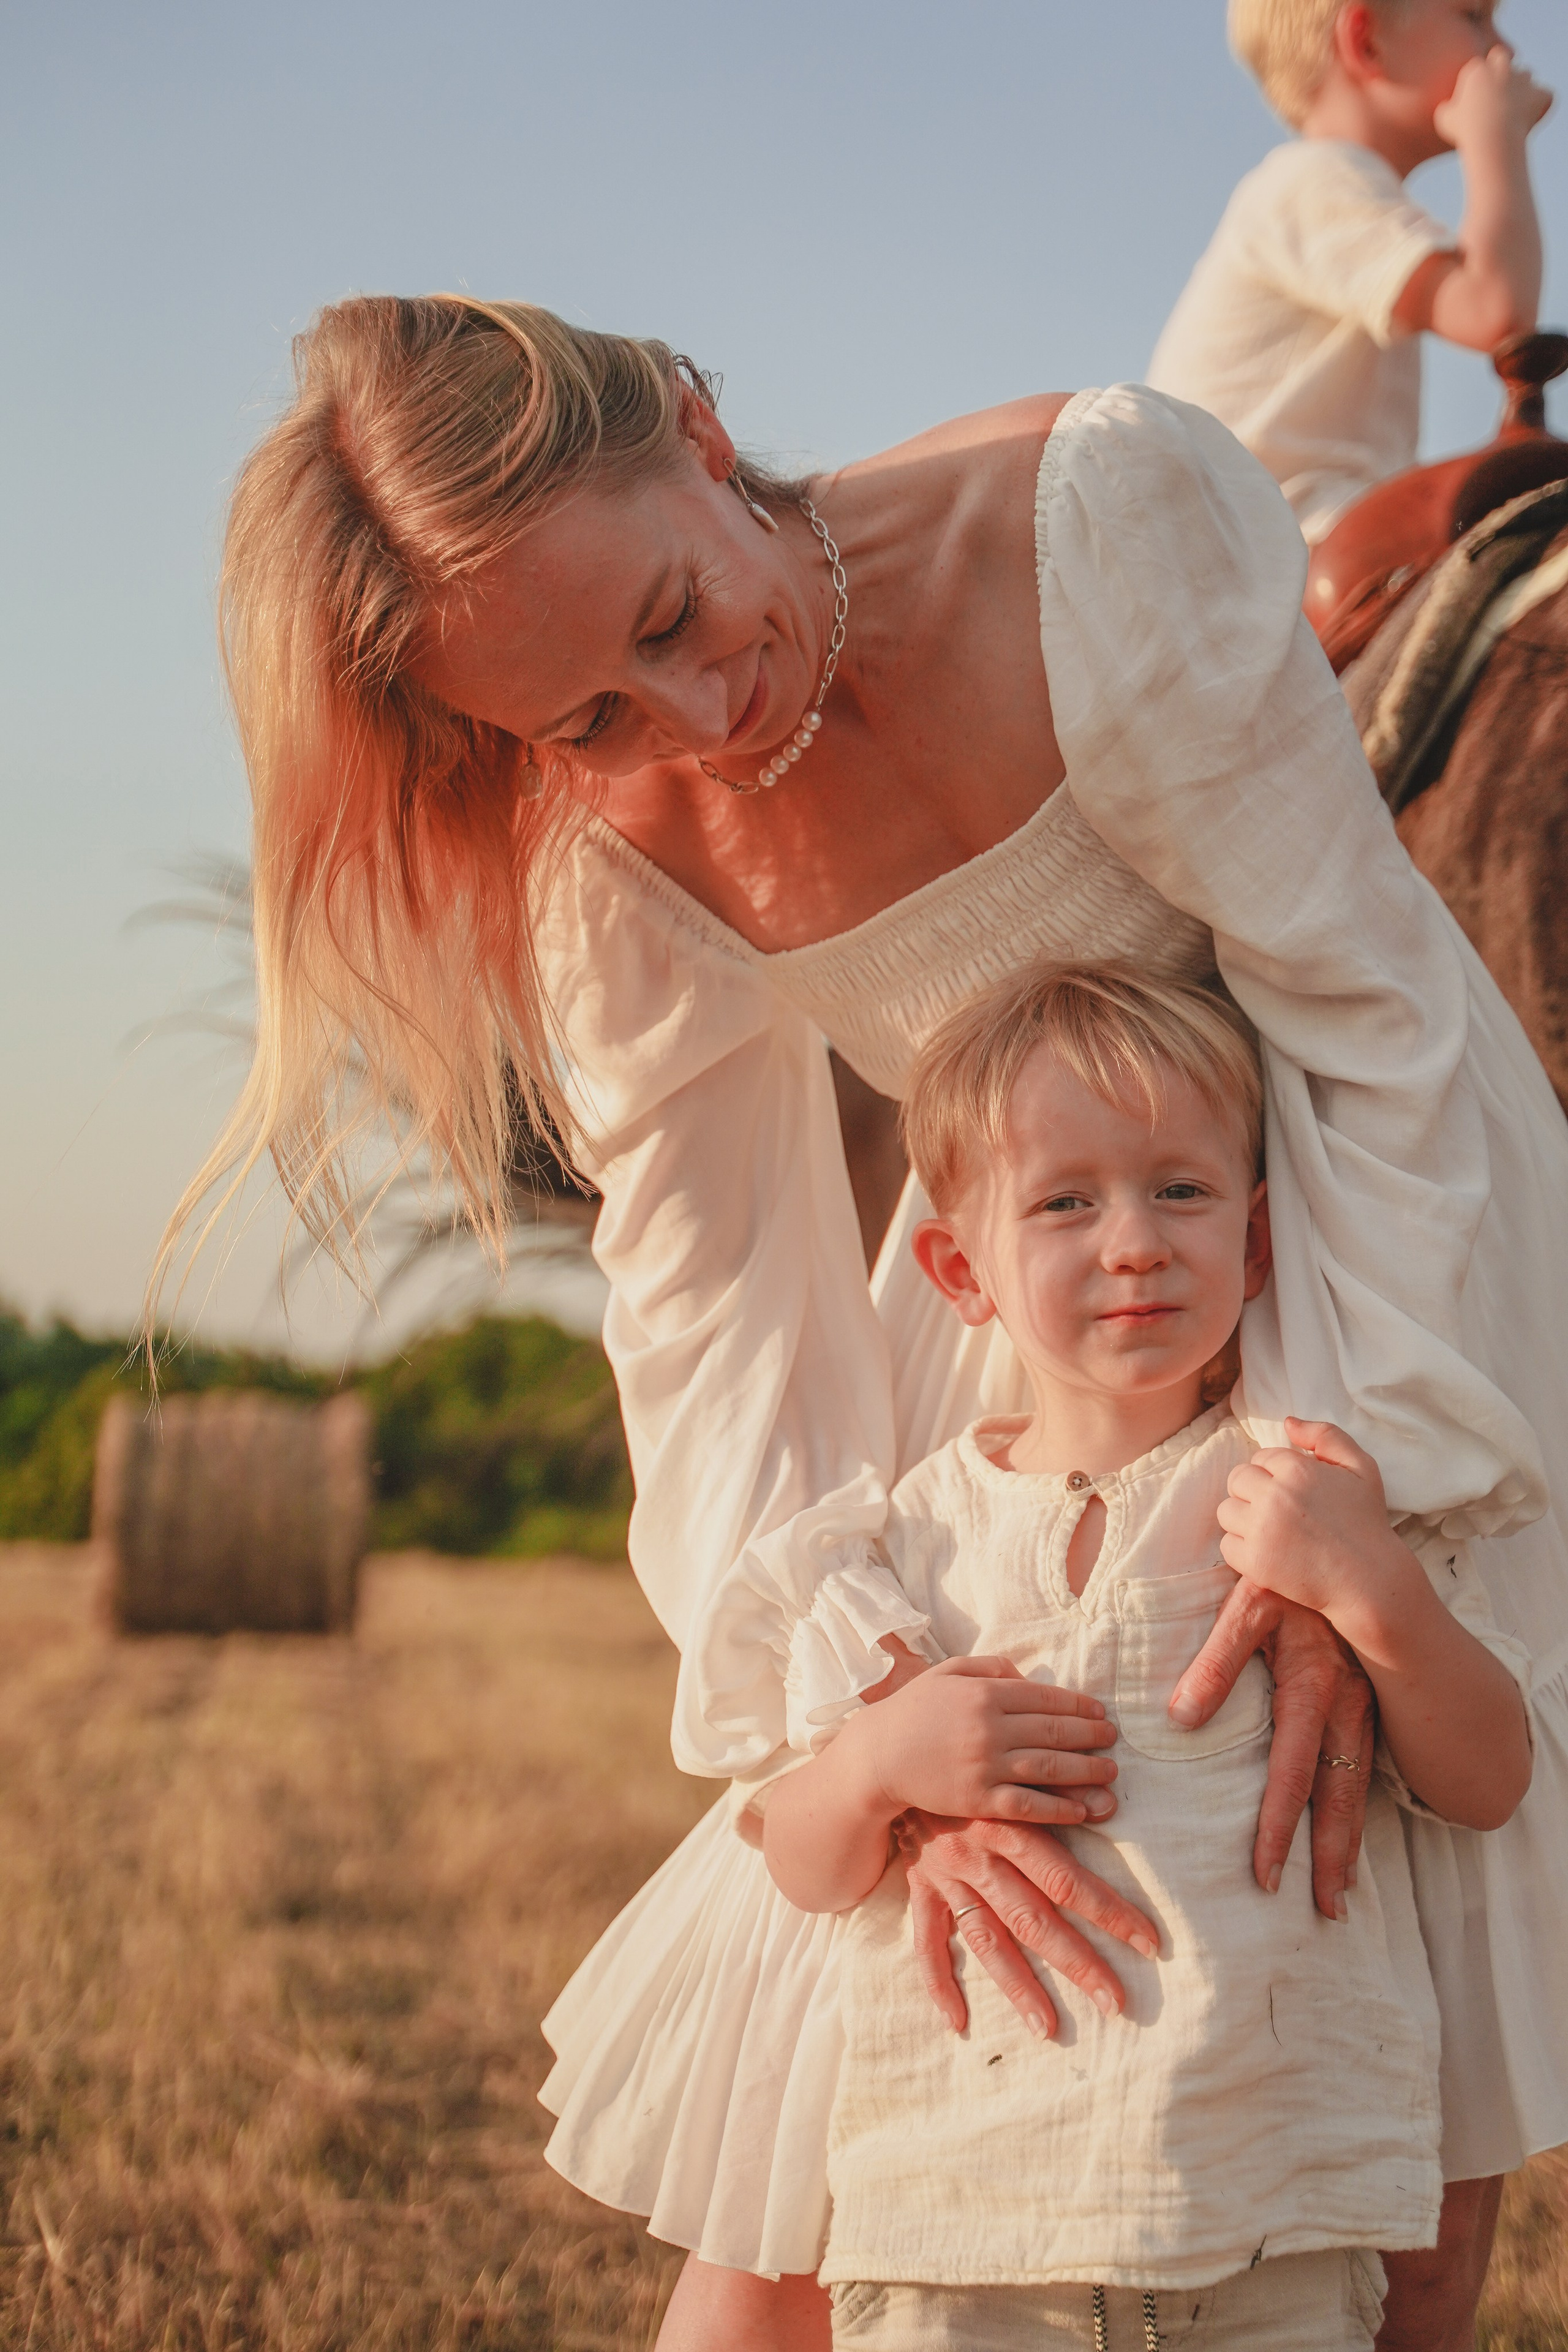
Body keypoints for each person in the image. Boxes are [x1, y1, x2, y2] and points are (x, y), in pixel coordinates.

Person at [164, 296, 1568, 2352]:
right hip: (1026, 1308)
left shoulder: (1097, 524)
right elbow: (713, 1300)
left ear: (707, 438)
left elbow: (1361, 1019)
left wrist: (1365, 1521)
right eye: (582, 719)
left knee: (1391, 2007)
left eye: (670, 614)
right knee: (850, 2045)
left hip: (1365, 1239)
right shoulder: (605, 859)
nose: (685, 721)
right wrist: (853, 1686)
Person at [758, 961, 1532, 2350]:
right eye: (1064, 1199)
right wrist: (876, 1759)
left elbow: (1483, 1779)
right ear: (957, 1269)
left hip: (1267, 2232)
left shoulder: (1309, 1495)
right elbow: (803, 1862)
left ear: (1251, 1245)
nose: (1132, 1241)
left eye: (1177, 1190)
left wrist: (1376, 1592)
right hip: (960, 2234)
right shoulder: (900, 1546)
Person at [1148, 0, 1552, 543]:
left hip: (1307, 529)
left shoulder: (1347, 195)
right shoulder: (1314, 180)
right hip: (1275, 545)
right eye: (1474, 17)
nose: (1503, 50)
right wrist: (1496, 137)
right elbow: (1496, 308)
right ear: (1366, 41)